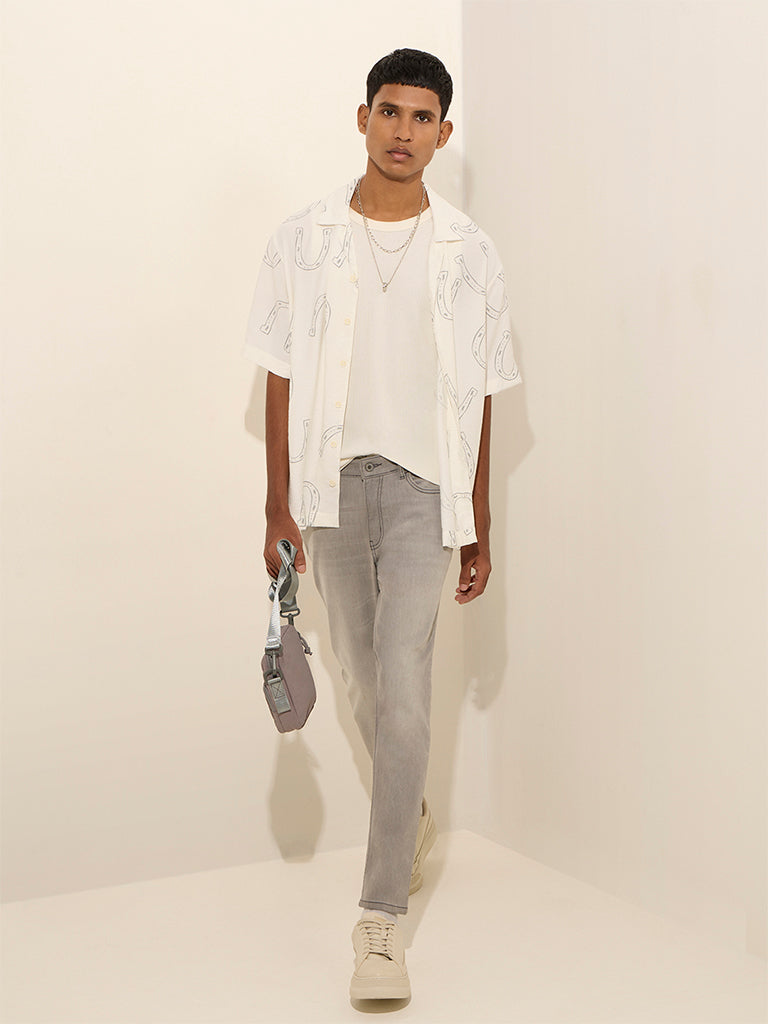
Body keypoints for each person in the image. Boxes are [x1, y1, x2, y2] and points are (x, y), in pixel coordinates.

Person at [243, 47, 520, 1002]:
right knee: (361, 678)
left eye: (423, 117)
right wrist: (276, 502)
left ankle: (380, 922)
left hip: (423, 492)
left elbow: (484, 391)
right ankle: (414, 818)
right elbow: (279, 375)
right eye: (390, 111)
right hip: (330, 488)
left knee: (404, 684)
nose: (404, 131)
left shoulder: (471, 251)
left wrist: (478, 517)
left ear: (444, 132)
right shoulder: (303, 239)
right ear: (362, 118)